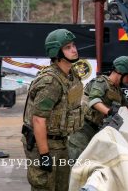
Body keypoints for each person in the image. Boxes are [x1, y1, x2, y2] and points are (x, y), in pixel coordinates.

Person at [21, 29, 84, 191]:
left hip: (61, 142)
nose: (74, 50)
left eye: (73, 45)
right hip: (44, 144)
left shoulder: (70, 75)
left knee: (62, 186)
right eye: (68, 47)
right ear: (56, 52)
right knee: (45, 186)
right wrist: (44, 155)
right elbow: (38, 120)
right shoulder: (51, 82)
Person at [67, 56, 128, 160]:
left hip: (98, 129)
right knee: (77, 160)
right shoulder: (101, 82)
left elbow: (127, 111)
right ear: (120, 72)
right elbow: (94, 101)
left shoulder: (118, 91)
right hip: (82, 128)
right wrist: (110, 112)